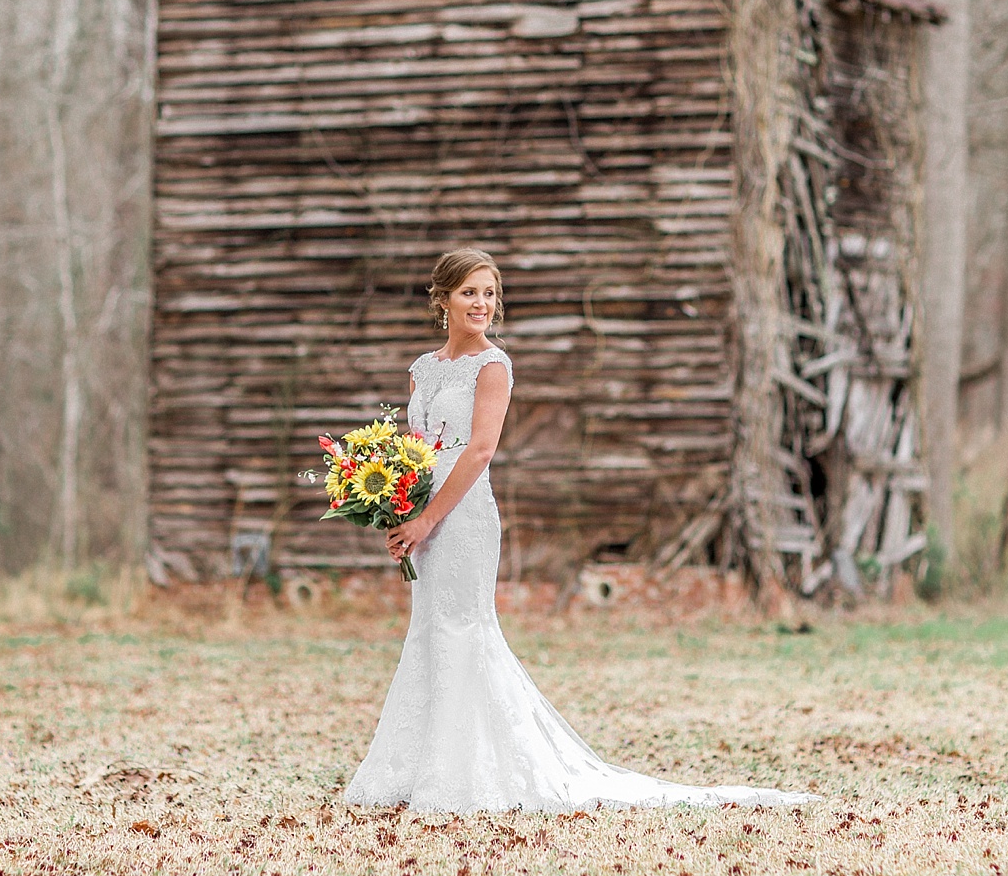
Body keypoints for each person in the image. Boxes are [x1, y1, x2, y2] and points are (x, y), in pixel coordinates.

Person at [345, 247, 818, 813]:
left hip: (463, 515)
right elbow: (415, 449)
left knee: (463, 631)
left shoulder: (492, 366)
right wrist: (396, 506)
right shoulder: (424, 369)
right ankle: (412, 770)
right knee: (427, 630)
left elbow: (479, 451)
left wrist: (428, 517)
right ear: (442, 297)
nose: (482, 304)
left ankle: (465, 776)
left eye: (490, 293)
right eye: (470, 291)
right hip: (422, 512)